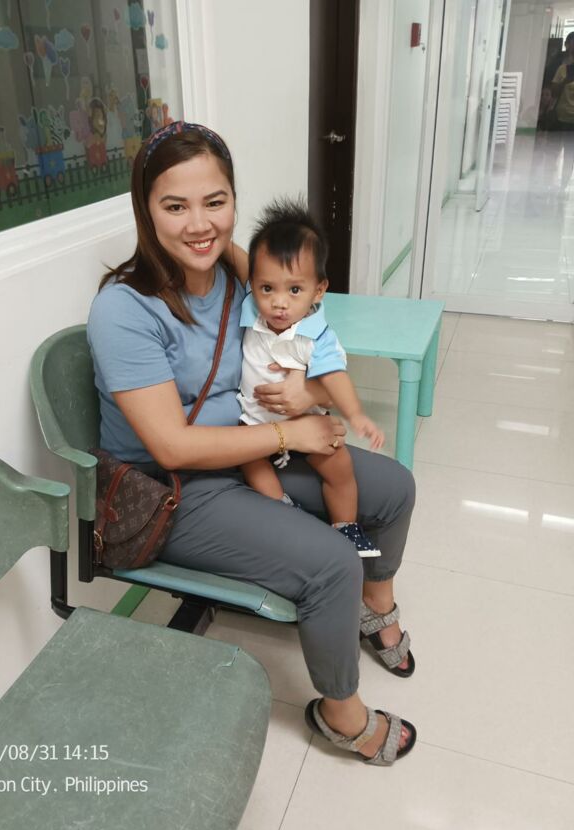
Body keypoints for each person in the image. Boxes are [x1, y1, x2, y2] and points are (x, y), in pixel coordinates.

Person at [87, 121, 417, 765]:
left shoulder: (240, 281)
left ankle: (376, 604)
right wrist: (293, 430)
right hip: (175, 491)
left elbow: (298, 313)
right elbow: (172, 448)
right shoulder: (124, 309)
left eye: (215, 202)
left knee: (393, 488)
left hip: (250, 450)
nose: (198, 224)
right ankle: (340, 713)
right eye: (174, 206)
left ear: (235, 201)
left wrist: (306, 397)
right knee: (332, 562)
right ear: (144, 210)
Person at [238, 198, 384, 557]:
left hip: (306, 423)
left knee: (339, 466)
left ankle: (346, 526)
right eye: (267, 288)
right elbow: (240, 261)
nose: (279, 303)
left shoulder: (315, 335)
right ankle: (284, 510)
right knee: (250, 464)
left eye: (294, 290)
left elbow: (334, 377)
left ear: (318, 290)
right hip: (255, 423)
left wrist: (356, 414)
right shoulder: (251, 309)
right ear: (253, 285)